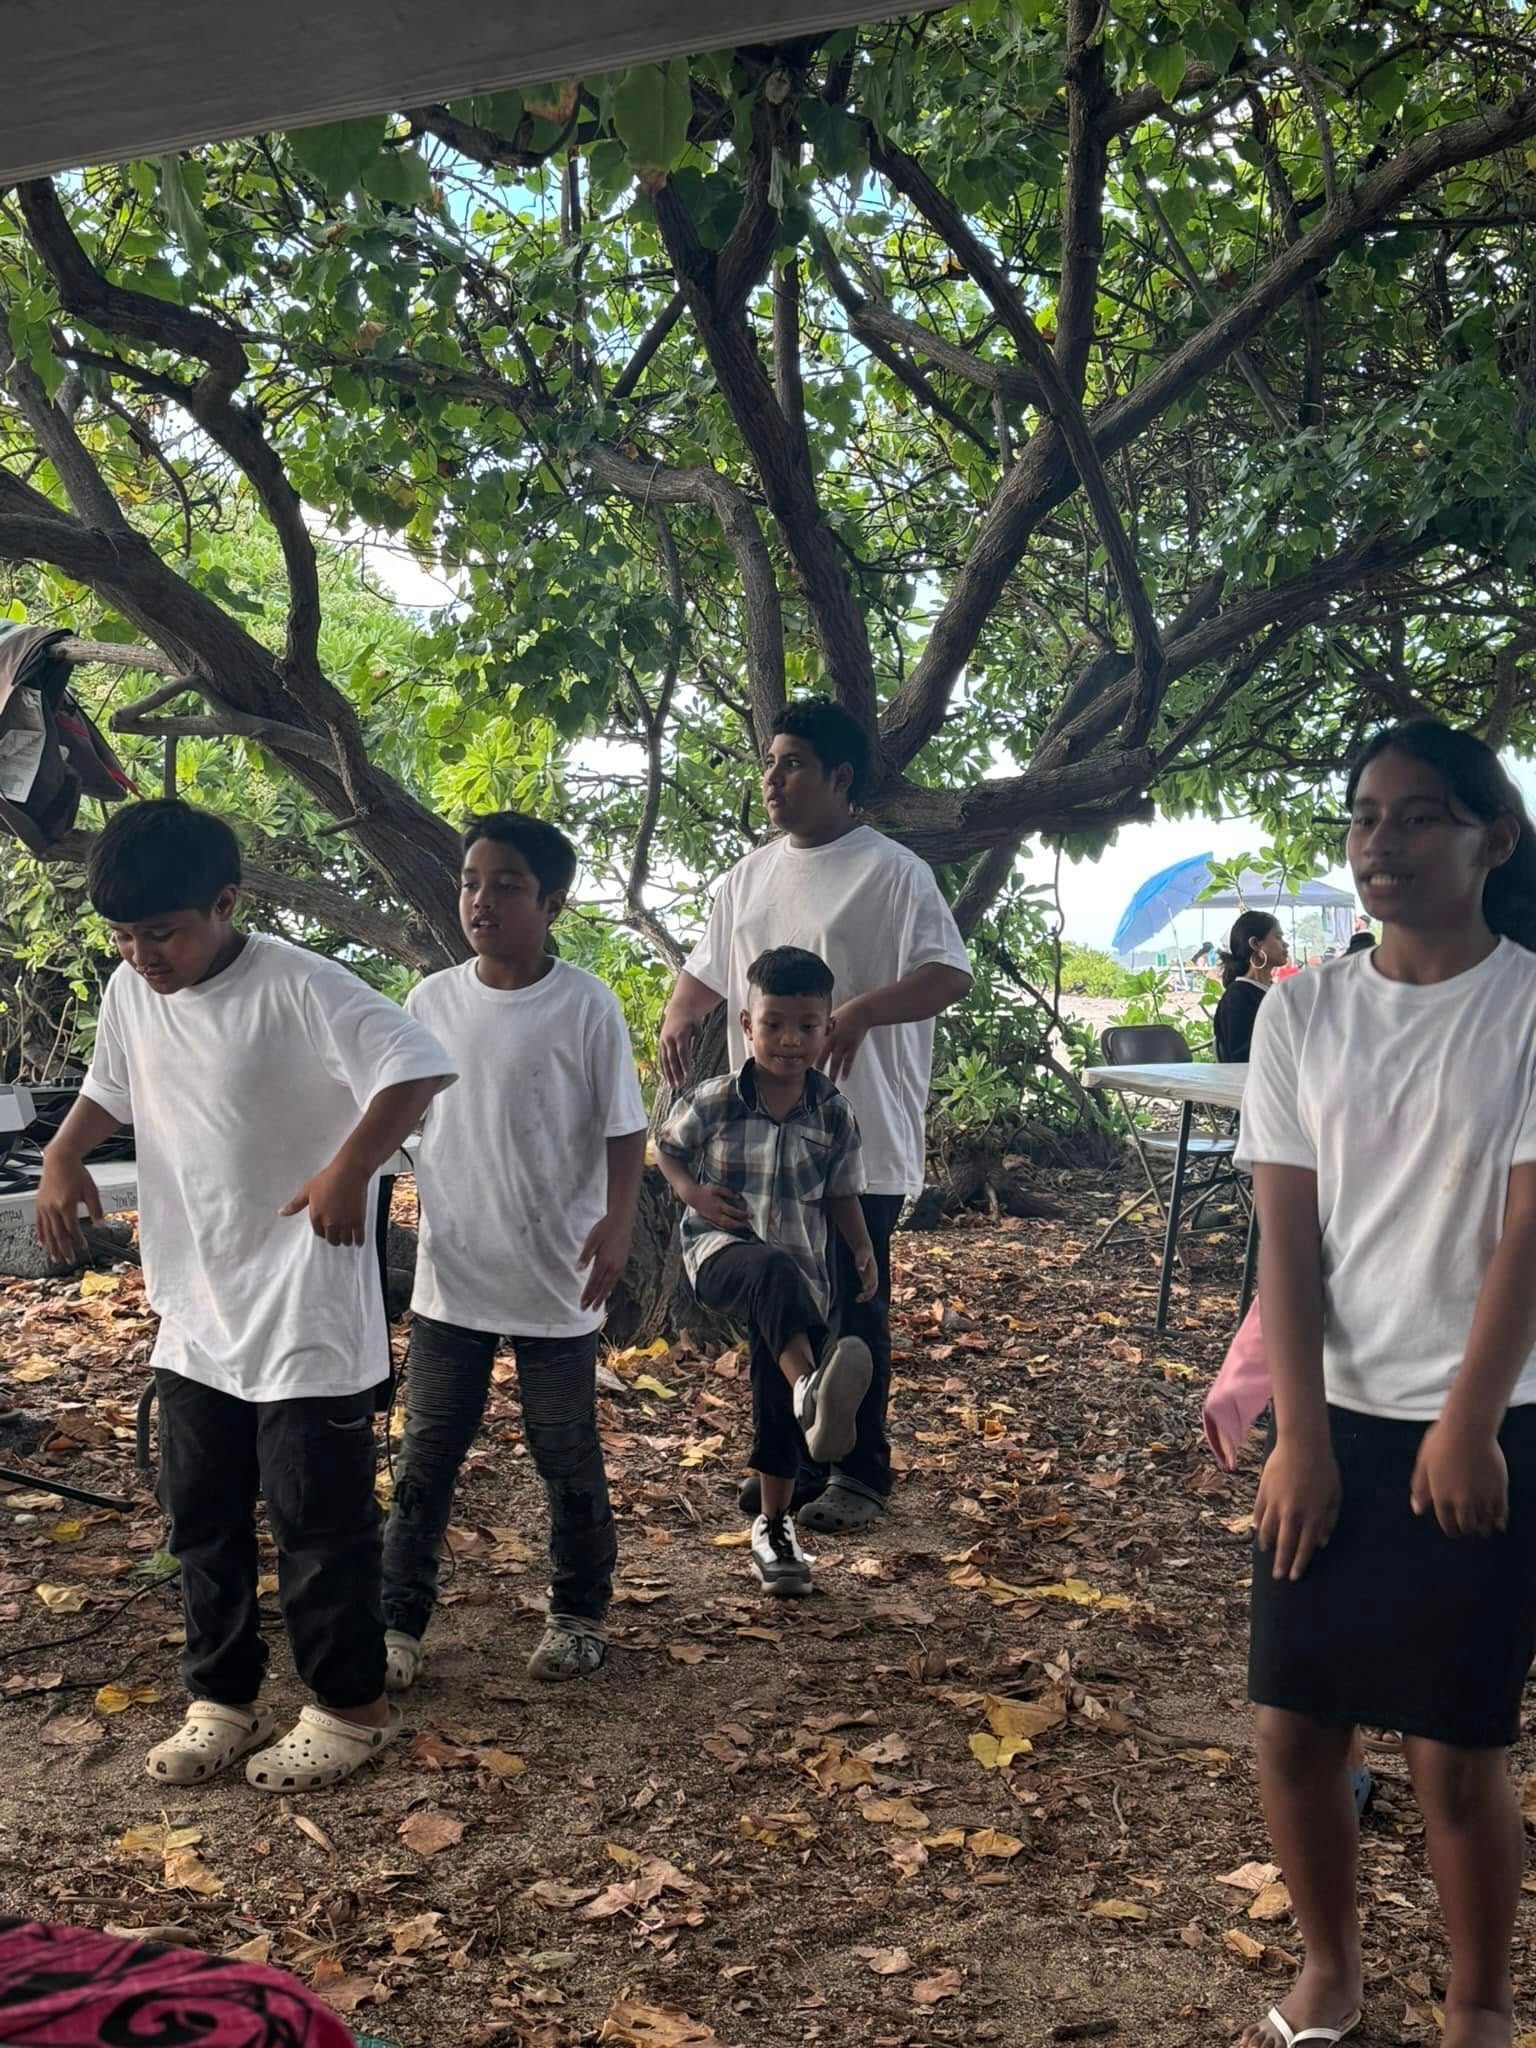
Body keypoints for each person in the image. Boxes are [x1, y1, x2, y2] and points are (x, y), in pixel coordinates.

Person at [34, 800, 454, 1793]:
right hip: (196, 1302)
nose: (142, 954)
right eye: (124, 936)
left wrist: (351, 1168)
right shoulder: (135, 990)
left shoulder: (301, 985)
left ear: (225, 902)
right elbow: (112, 1084)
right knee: (202, 1512)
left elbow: (418, 1063)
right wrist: (60, 1154)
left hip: (305, 1304)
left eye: (163, 931)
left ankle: (351, 1707)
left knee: (317, 1516)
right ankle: (221, 1696)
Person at [1236, 719, 1536, 2048]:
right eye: (1363, 816)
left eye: (1419, 816)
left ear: (1493, 840)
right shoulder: (1302, 1011)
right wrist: (1299, 1436)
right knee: (1294, 1733)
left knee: (1457, 1757)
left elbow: (1532, 1231)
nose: (1381, 841)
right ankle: (1333, 1973)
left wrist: (1470, 1419)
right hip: (1338, 1422)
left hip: (1492, 1416)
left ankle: (1479, 2001)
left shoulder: (1529, 1006)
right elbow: (1287, 1242)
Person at [657, 698, 972, 1534]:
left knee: (855, 1301)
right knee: (775, 1302)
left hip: (853, 1131)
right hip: (756, 1141)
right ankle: (785, 1465)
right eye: (769, 763)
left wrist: (862, 1012)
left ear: (840, 778)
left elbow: (949, 975)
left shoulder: (894, 872)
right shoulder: (747, 876)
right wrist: (680, 1015)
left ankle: (861, 1474)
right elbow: (705, 973)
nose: (772, 779)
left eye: (791, 764)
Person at [381, 811, 645, 1690]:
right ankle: (397, 1622)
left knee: (564, 1448)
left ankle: (577, 1613)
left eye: (506, 885)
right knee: (427, 1455)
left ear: (552, 901)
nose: (481, 901)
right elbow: (397, 1117)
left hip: (555, 1276)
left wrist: (618, 1222)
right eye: (470, 882)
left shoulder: (585, 1004)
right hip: (452, 1275)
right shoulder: (431, 1002)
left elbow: (622, 1130)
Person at [657, 945, 878, 1597]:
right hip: (721, 1254)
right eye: (774, 1023)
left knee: (775, 1393)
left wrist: (862, 1250)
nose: (790, 1039)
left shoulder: (833, 1111)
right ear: (746, 1026)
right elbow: (668, 1151)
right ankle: (812, 1390)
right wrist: (693, 1193)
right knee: (770, 1274)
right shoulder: (715, 1099)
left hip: (798, 1272)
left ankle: (775, 1530)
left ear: (827, 1029)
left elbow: (843, 1192)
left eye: (807, 1025)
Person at [1213, 911, 1288, 1062]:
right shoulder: (1237, 997)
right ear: (1255, 944)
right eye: (1278, 937)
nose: (1285, 944)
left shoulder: (1274, 991)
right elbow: (1244, 1056)